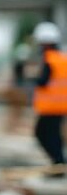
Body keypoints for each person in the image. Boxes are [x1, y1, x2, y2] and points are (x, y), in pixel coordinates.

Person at [32, 21, 67, 175]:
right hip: (61, 105)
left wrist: (31, 77)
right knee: (54, 136)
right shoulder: (62, 58)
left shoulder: (49, 59)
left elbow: (43, 82)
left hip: (50, 107)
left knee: (41, 134)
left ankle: (59, 163)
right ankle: (58, 164)